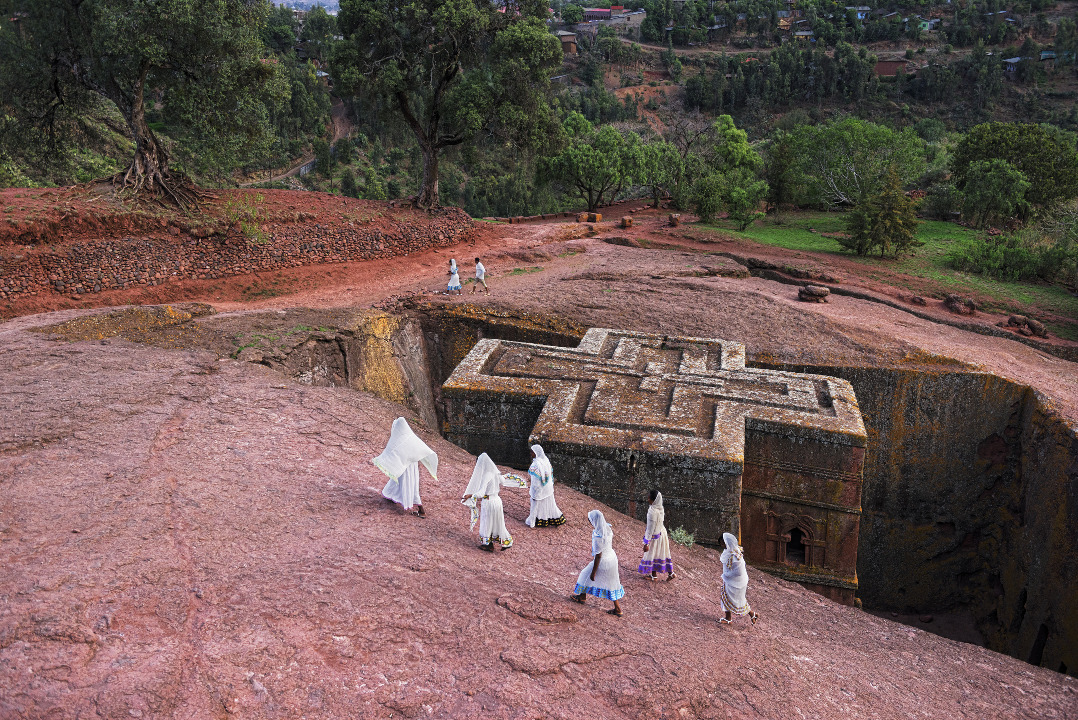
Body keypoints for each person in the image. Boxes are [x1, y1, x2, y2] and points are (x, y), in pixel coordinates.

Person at [372, 417, 438, 518]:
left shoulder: (402, 438)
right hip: (410, 467)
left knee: (410, 486)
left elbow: (392, 451)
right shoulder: (410, 437)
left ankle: (421, 511)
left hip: (406, 468)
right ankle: (390, 495)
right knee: (398, 480)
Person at [462, 452, 527, 551]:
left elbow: (481, 493)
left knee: (487, 522)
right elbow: (503, 480)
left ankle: (488, 544)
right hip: (497, 500)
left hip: (488, 502)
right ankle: (505, 541)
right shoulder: (495, 472)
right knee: (498, 522)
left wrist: (470, 495)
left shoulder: (486, 475)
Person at [571, 510, 624, 616]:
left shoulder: (598, 536)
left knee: (584, 574)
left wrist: (594, 572)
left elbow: (598, 556)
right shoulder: (607, 528)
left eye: (590, 519)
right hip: (612, 558)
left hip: (604, 560)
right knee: (612, 584)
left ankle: (582, 596)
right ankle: (618, 609)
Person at [718, 532, 759, 625]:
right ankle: (752, 614)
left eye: (723, 543)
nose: (722, 545)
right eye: (721, 543)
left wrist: (727, 575)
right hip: (733, 580)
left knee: (733, 598)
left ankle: (729, 619)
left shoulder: (736, 556)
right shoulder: (729, 551)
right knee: (730, 597)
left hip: (736, 581)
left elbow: (738, 572)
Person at [525, 444, 565, 528]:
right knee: (548, 503)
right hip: (548, 487)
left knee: (535, 505)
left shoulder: (535, 464)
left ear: (536, 453)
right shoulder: (545, 460)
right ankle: (551, 518)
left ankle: (532, 522)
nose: (531, 454)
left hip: (540, 488)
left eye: (532, 452)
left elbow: (536, 481)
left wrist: (535, 491)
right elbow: (550, 474)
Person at [638, 489, 675, 581]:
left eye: (649, 498)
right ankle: (671, 573)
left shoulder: (652, 511)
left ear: (653, 500)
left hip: (655, 536)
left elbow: (650, 529)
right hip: (662, 533)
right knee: (663, 553)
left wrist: (646, 543)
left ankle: (654, 576)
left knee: (653, 554)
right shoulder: (660, 508)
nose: (647, 500)